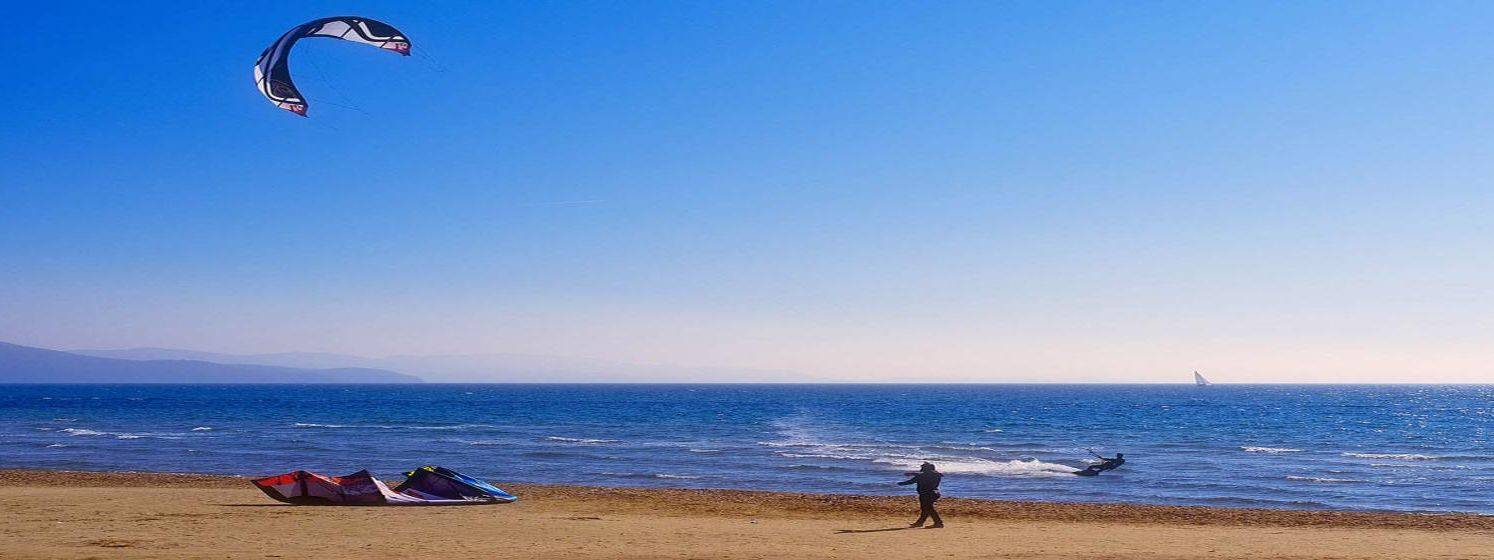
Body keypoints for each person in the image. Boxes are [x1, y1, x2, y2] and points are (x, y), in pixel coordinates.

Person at [897, 462, 943, 528]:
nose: (921, 469)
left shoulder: (921, 476)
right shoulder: (937, 475)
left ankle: (938, 523)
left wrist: (899, 483)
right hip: (935, 493)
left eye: (922, 468)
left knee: (928, 508)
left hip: (926, 494)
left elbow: (911, 481)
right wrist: (913, 473)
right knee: (926, 509)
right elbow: (927, 474)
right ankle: (920, 523)